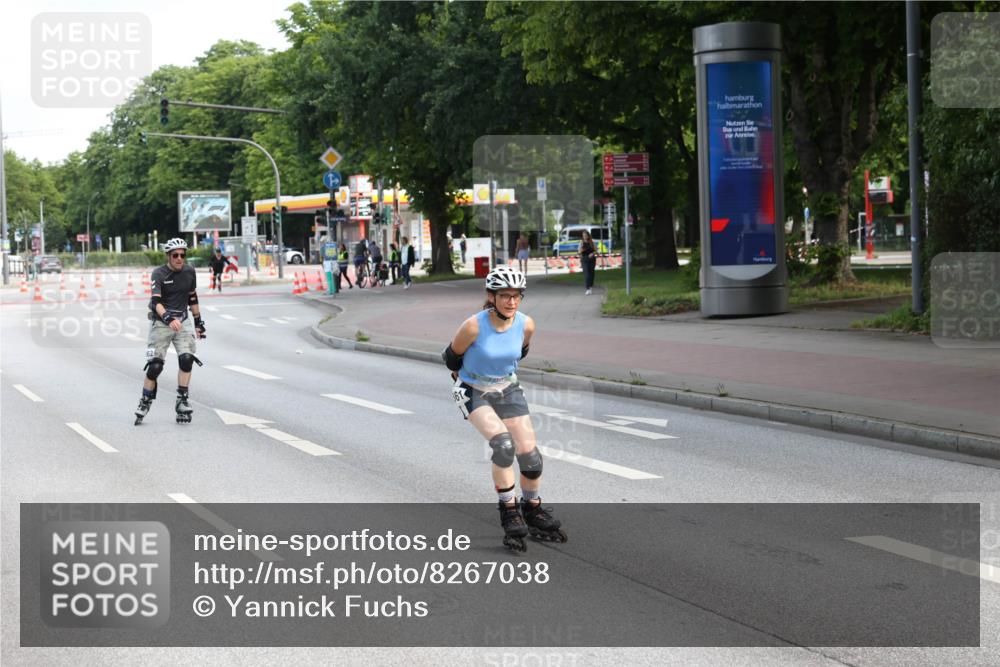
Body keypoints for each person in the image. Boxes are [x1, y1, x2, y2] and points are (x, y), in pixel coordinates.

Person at [442, 266, 564, 551]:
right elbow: (451, 358)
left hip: (507, 389)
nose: (511, 301)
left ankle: (532, 508)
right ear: (491, 296)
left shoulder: (526, 324)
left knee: (530, 456)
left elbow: (519, 353)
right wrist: (469, 378)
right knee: (503, 445)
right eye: (504, 295)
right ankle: (509, 511)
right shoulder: (473, 325)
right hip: (472, 389)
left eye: (516, 296)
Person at [134, 238, 205, 425]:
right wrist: (168, 319)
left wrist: (198, 322)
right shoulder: (159, 273)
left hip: (182, 321)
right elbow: (156, 302)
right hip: (161, 322)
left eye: (183, 255)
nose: (179, 259)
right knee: (155, 366)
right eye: (175, 255)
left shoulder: (190, 272)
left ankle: (182, 401)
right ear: (168, 256)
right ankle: (145, 401)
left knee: (187, 358)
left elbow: (192, 296)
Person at [579, 230, 597, 295]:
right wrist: (580, 252)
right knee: (586, 274)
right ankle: (587, 288)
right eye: (583, 235)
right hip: (584, 259)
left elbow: (596, 250)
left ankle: (591, 287)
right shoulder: (581, 243)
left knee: (591, 274)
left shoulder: (592, 242)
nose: (584, 237)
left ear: (588, 235)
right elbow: (579, 252)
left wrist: (592, 253)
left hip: (592, 259)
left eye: (585, 235)